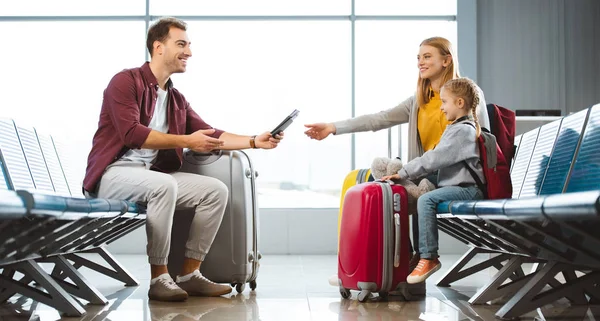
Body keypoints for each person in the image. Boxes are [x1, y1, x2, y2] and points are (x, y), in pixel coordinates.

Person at [83, 17, 283, 302]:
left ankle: (190, 274)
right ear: (158, 47)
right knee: (163, 186)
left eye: (189, 45)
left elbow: (210, 132)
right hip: (114, 175)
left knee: (215, 191)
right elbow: (131, 134)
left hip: (149, 175)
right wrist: (187, 141)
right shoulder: (125, 81)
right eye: (181, 44)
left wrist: (254, 141)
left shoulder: (175, 99)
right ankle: (159, 277)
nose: (189, 52)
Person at [304, 36, 490, 285]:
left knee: (399, 192)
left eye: (427, 57)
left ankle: (407, 260)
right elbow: (378, 119)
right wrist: (333, 127)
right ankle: (365, 266)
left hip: (453, 179)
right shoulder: (418, 101)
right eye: (418, 58)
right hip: (426, 175)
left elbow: (484, 141)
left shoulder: (466, 98)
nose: (420, 63)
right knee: (379, 184)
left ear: (446, 60)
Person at [380, 77, 485, 283]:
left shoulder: (463, 131)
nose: (442, 108)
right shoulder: (458, 127)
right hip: (459, 186)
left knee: (425, 200)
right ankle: (414, 254)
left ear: (460, 103)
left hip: (468, 189)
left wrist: (404, 173)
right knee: (418, 192)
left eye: (445, 102)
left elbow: (434, 159)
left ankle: (428, 256)